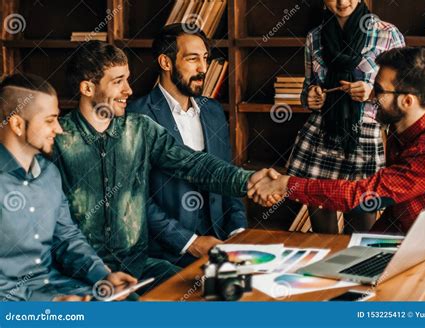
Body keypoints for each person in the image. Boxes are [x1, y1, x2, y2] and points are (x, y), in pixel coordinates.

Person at [249, 47, 425, 300]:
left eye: (379, 90)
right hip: (419, 248)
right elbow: (397, 208)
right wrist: (361, 252)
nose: (371, 97)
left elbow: (363, 195)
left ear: (407, 101)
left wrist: (286, 184)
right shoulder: (408, 131)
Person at [52, 41, 277, 288]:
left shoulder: (141, 129)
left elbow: (193, 164)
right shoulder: (56, 140)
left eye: (128, 79)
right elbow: (57, 229)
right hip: (83, 275)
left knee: (215, 294)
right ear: (87, 87)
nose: (129, 90)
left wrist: (247, 180)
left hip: (141, 266)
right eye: (118, 82)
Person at [0, 74, 136, 301]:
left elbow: (66, 238)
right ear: (16, 123)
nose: (59, 129)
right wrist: (47, 304)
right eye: (49, 120)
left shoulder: (49, 173)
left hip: (60, 288)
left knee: (134, 305)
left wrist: (102, 276)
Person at [127, 24, 247, 267]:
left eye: (205, 58)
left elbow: (228, 177)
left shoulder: (213, 110)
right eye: (193, 59)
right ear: (166, 62)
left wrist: (238, 232)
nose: (203, 68)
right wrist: (190, 242)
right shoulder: (134, 115)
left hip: (222, 245)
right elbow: (135, 199)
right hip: (167, 254)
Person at [287, 0, 405, 233]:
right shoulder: (315, 37)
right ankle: (324, 269)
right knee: (323, 232)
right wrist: (310, 97)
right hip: (322, 135)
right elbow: (308, 86)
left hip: (364, 138)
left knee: (361, 230)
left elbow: (403, 95)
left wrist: (373, 93)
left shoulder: (388, 34)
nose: (342, 2)